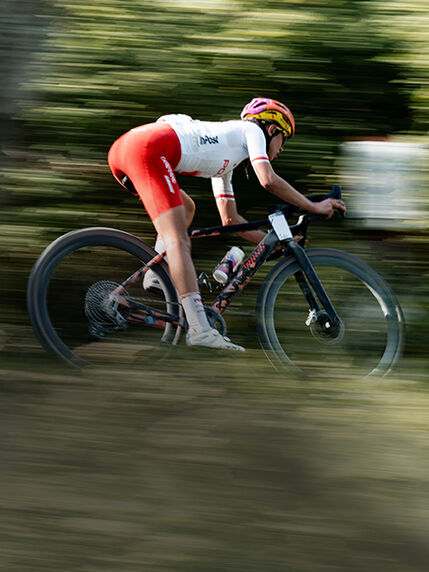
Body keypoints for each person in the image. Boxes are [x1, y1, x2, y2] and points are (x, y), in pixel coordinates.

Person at [107, 97, 346, 352]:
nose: (282, 148)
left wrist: (279, 244)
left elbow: (231, 220)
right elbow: (268, 180)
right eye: (284, 139)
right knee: (179, 240)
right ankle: (200, 330)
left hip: (134, 148)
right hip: (146, 149)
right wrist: (315, 206)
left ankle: (158, 276)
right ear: (272, 129)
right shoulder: (251, 130)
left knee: (187, 209)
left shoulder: (226, 160)